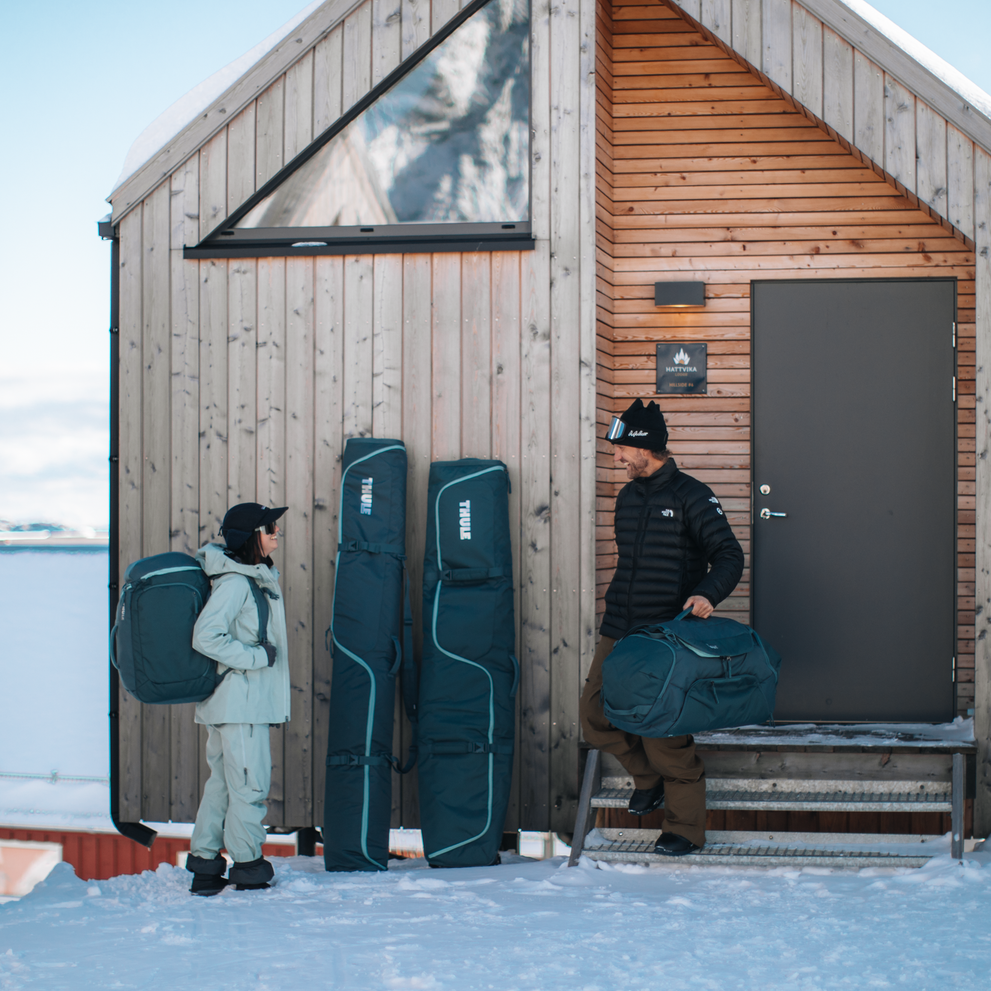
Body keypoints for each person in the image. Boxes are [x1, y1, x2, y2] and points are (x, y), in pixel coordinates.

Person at [580, 399, 744, 856]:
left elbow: (729, 555)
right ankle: (647, 779)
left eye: (621, 450)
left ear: (644, 447)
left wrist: (707, 595)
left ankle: (685, 828)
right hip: (619, 627)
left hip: (666, 635)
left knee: (664, 734)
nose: (616, 457)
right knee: (594, 717)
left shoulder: (693, 495)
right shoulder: (628, 497)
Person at [184, 503, 290, 895]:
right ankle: (247, 867)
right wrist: (257, 657)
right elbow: (206, 636)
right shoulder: (236, 583)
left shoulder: (251, 578)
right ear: (250, 536)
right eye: (270, 527)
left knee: (224, 787)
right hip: (240, 705)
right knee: (249, 786)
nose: (277, 532)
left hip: (234, 703)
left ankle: (205, 867)